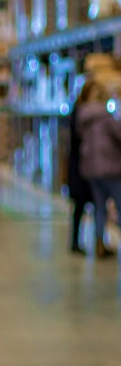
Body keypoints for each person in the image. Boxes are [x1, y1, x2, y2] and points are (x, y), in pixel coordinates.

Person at [77, 80, 121, 258]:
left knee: (99, 208)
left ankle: (99, 243)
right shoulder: (106, 117)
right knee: (120, 205)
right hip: (111, 168)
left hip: (92, 169)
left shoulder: (84, 117)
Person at [68, 82, 97, 254]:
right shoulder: (82, 114)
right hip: (81, 166)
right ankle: (76, 241)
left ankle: (98, 240)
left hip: (90, 165)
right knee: (80, 206)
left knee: (95, 205)